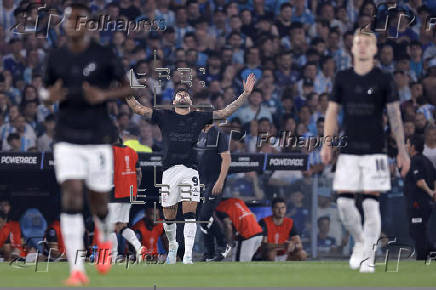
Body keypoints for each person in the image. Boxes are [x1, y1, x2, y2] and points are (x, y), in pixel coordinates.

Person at [40, 3, 135, 285]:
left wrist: (103, 94)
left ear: (89, 24)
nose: (73, 23)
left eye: (80, 19)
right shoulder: (56, 56)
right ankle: (77, 270)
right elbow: (45, 92)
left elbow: (131, 86)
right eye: (70, 19)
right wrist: (50, 96)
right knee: (71, 195)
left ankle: (105, 240)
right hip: (67, 136)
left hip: (98, 138)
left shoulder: (103, 55)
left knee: (100, 204)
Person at [126, 73, 256, 264]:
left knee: (190, 213)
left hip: (190, 170)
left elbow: (225, 112)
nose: (182, 95)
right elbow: (138, 109)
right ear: (173, 100)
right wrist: (127, 93)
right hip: (169, 171)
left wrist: (244, 94)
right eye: (179, 94)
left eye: (185, 94)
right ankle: (173, 248)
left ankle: (187, 255)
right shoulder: (164, 115)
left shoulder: (199, 116)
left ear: (191, 100)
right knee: (168, 216)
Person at [321, 29, 410, 273]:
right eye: (358, 43)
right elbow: (331, 112)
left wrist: (402, 151)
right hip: (349, 151)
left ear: (374, 49)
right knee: (343, 204)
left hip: (376, 151)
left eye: (366, 43)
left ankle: (369, 256)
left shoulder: (384, 79)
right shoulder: (342, 78)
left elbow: (394, 116)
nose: (361, 47)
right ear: (352, 47)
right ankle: (361, 242)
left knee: (371, 205)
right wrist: (327, 143)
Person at [195, 120, 231, 261]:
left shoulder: (218, 134)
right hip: (201, 180)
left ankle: (223, 245)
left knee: (204, 217)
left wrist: (220, 180)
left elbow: (226, 159)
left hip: (214, 180)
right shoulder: (199, 134)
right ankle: (209, 253)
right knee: (202, 218)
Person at [109, 137, 144, 263]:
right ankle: (139, 247)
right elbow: (139, 174)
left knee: (110, 227)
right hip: (130, 192)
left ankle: (112, 257)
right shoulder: (132, 151)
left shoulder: (111, 151)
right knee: (122, 226)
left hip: (115, 192)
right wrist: (136, 190)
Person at [404, 135, 436, 260]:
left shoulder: (415, 161)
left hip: (417, 203)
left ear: (412, 147)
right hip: (426, 203)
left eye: (407, 144)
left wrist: (431, 192)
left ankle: (422, 257)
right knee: (417, 230)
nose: (406, 146)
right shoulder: (427, 160)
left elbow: (420, 181)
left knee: (417, 231)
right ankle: (431, 253)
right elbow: (434, 177)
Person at [215, 198, 263, 262]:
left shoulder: (219, 208)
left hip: (246, 236)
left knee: (239, 263)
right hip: (259, 233)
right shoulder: (237, 200)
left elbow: (228, 226)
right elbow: (253, 215)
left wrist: (229, 244)